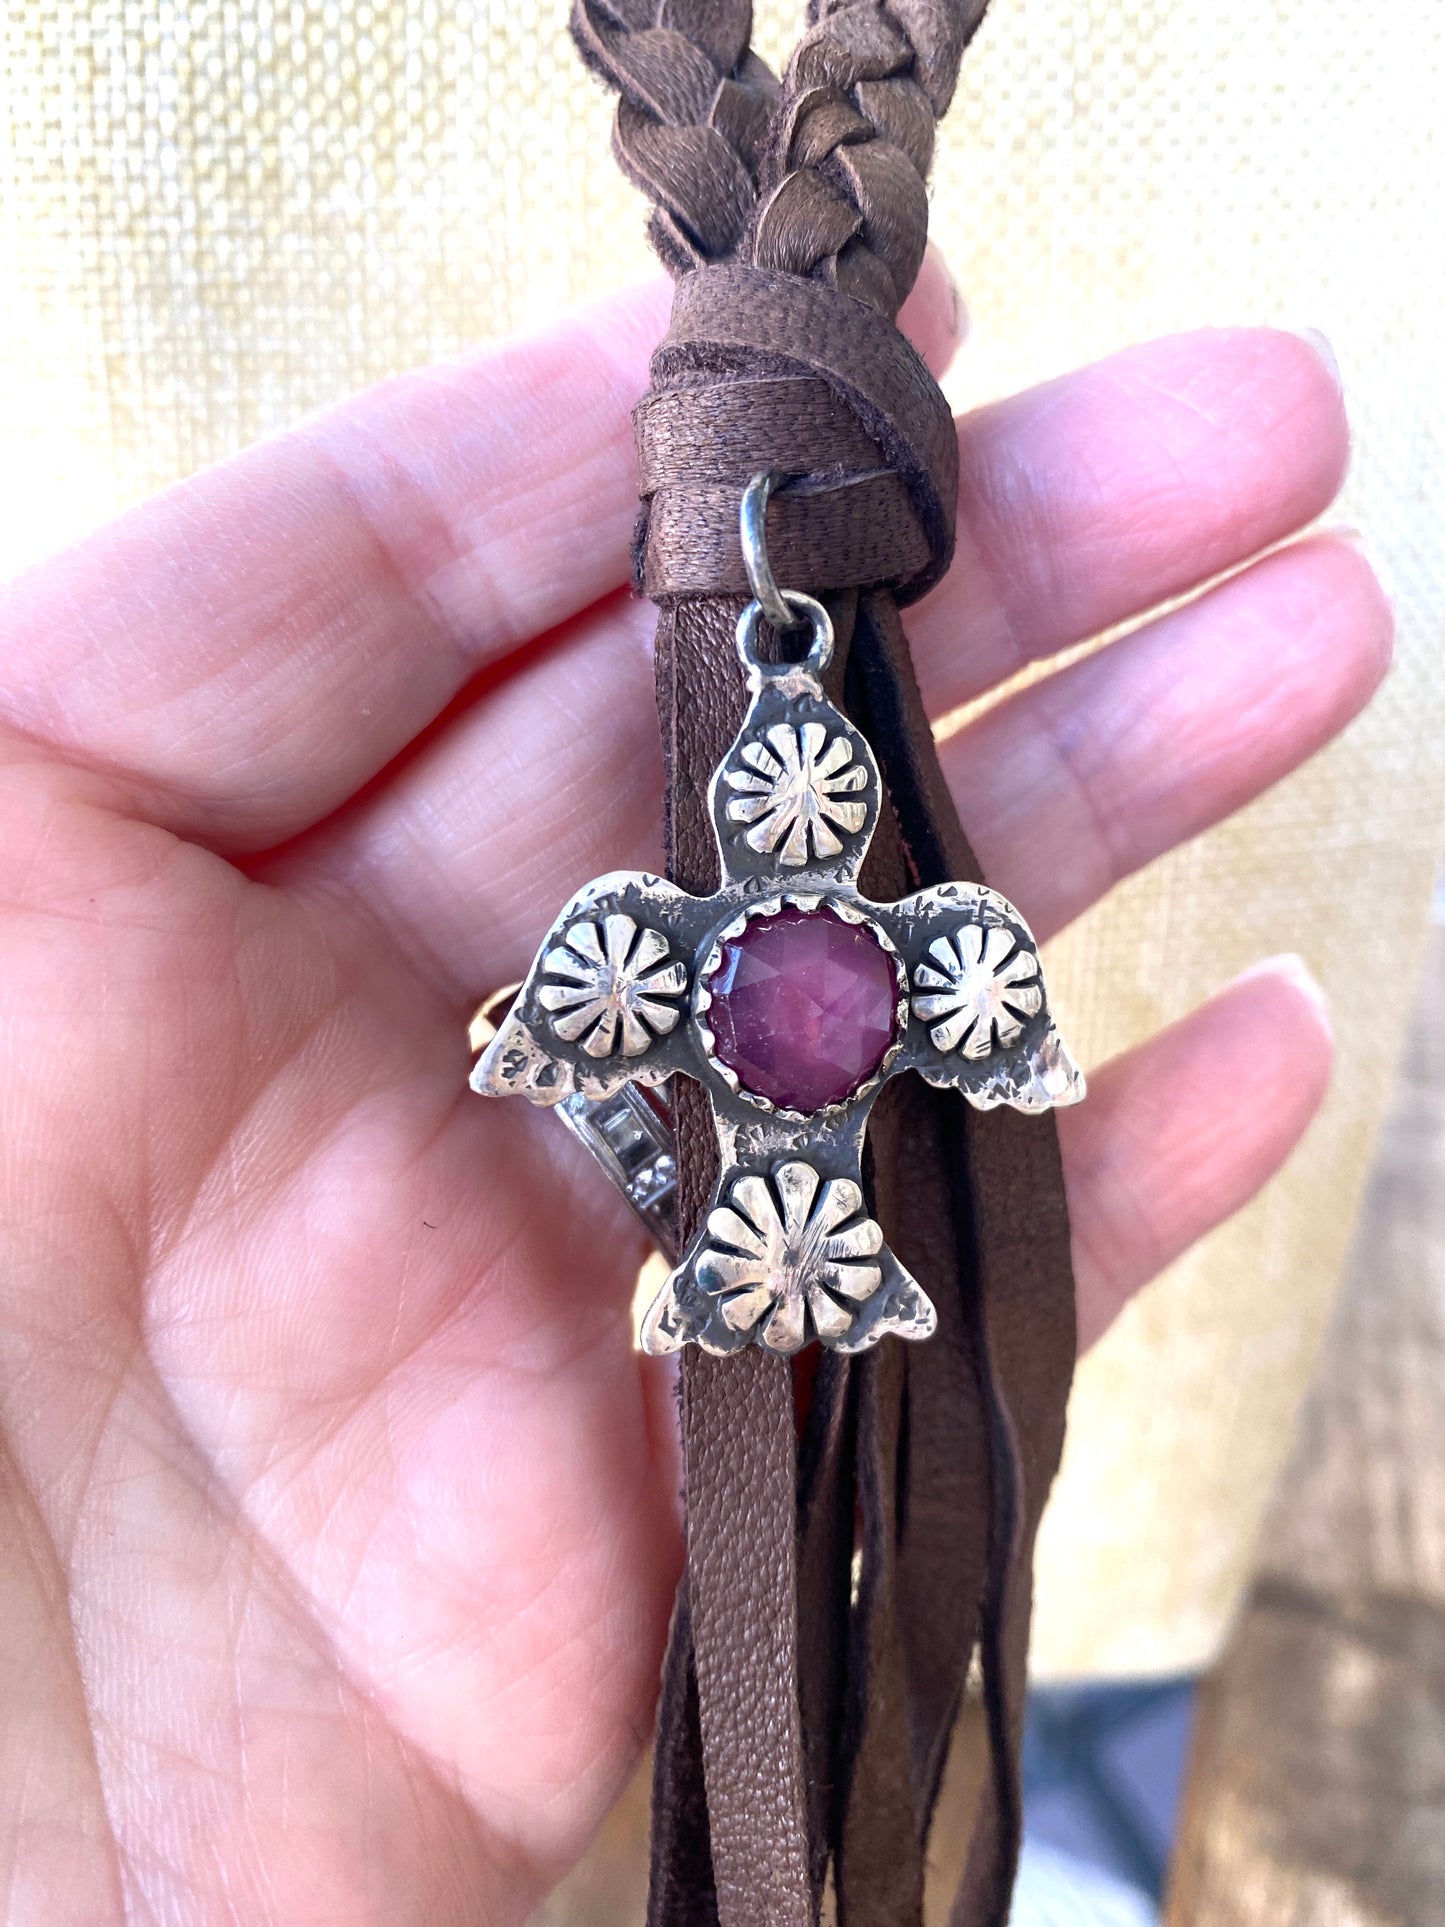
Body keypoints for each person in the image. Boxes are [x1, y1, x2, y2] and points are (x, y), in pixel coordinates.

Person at [0, 254, 1388, 1922]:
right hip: (770, 1211)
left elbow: (949, 1016)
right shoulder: (701, 949)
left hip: (786, 1214)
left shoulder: (850, 946)